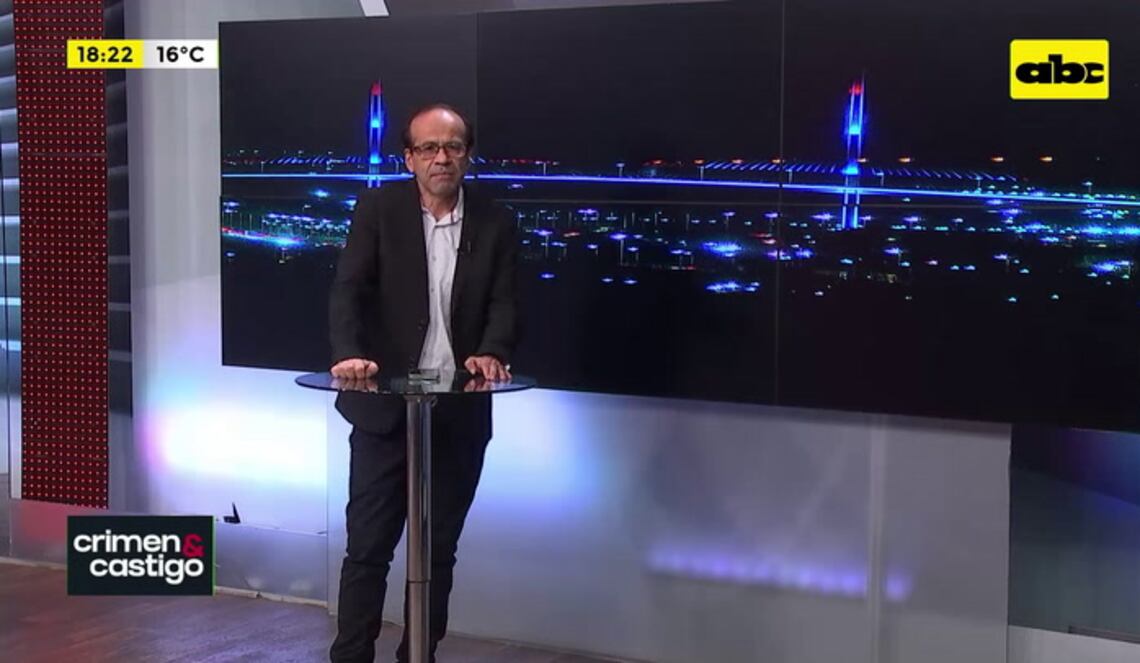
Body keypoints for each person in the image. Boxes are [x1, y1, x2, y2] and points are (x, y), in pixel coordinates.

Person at [327, 103, 517, 663]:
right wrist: (349, 355)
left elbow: (506, 302)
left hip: (457, 415)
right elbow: (348, 290)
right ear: (408, 158)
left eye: (453, 147)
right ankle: (351, 656)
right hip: (384, 413)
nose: (442, 158)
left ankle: (418, 655)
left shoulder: (496, 221)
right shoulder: (377, 209)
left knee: (437, 553)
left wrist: (492, 351)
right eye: (429, 148)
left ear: (468, 156)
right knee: (367, 549)